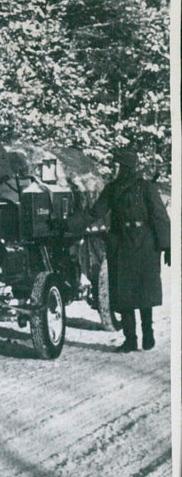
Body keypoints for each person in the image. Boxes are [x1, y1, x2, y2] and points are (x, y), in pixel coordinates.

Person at [55, 147, 171, 352]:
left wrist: (166, 245)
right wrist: (68, 224)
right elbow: (93, 213)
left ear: (125, 167)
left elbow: (160, 217)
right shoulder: (112, 189)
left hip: (145, 243)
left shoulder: (145, 188)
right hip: (122, 243)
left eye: (116, 165)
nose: (112, 169)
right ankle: (130, 339)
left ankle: (148, 332)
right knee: (123, 293)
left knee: (144, 292)